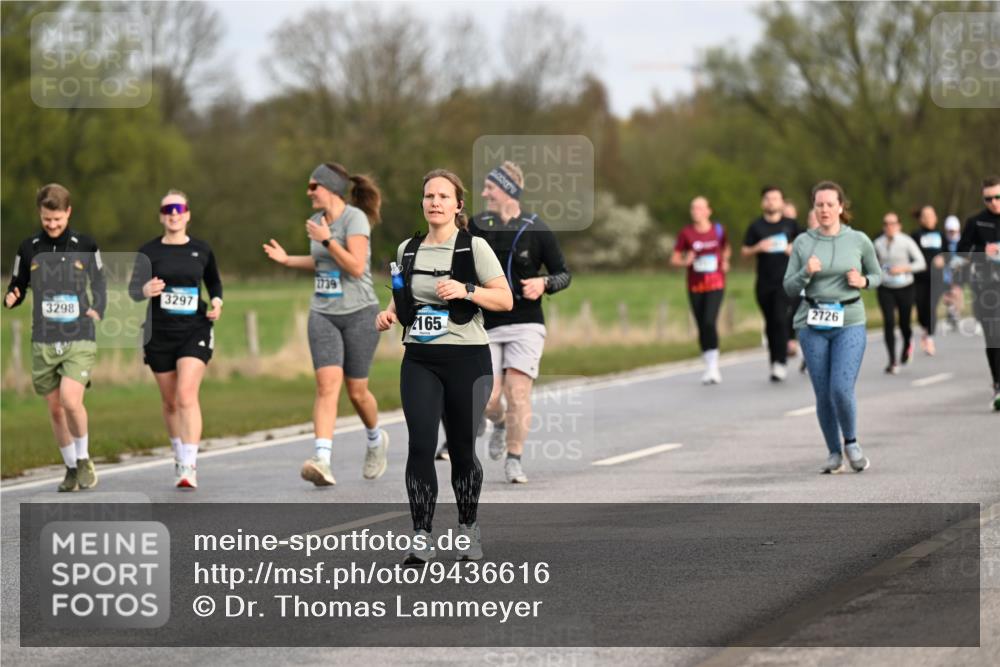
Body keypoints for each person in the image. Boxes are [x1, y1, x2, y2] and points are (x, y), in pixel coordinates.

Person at [376, 169, 512, 565]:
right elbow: (403, 302)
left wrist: (466, 290)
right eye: (428, 196)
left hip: (467, 359)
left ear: (457, 205)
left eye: (442, 196)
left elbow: (504, 300)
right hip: (419, 359)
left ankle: (468, 527)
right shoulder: (408, 249)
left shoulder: (474, 248)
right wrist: (386, 316)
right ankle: (421, 536)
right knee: (419, 444)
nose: (434, 202)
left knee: (462, 450)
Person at [441, 161, 571, 484]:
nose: (484, 193)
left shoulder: (537, 229)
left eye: (490, 187)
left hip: (527, 323)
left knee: (517, 392)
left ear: (508, 190)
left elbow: (563, 273)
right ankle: (498, 422)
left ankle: (514, 459)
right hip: (487, 322)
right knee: (487, 397)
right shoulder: (479, 227)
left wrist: (544, 284)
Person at [263, 163, 389, 486]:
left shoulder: (354, 219)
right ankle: (322, 459)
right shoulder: (317, 222)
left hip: (360, 312)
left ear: (330, 188)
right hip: (323, 312)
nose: (308, 193)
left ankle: (376, 440)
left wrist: (328, 239)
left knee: (357, 392)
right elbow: (321, 262)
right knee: (326, 385)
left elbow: (356, 267)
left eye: (313, 186)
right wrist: (288, 260)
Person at [5, 183, 106, 492]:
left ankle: (85, 458)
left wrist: (98, 308)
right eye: (47, 219)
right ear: (40, 214)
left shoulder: (85, 245)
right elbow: (18, 282)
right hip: (44, 337)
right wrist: (12, 296)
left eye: (57, 219)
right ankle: (70, 468)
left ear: (68, 213)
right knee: (54, 408)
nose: (51, 225)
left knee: (70, 400)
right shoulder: (28, 247)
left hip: (79, 334)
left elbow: (100, 282)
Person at [784, 181, 881, 473]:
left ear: (840, 207)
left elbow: (878, 274)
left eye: (829, 204)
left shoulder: (859, 240)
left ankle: (851, 442)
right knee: (823, 392)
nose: (824, 209)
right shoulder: (803, 242)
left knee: (841, 387)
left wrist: (863, 281)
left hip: (849, 319)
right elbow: (789, 287)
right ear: (814, 208)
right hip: (811, 322)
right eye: (819, 205)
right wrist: (805, 272)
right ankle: (833, 453)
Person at [128, 190, 223, 489]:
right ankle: (178, 453)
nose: (173, 213)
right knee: (170, 403)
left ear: (188, 214)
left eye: (179, 208)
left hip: (194, 329)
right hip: (159, 333)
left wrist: (217, 302)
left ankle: (188, 465)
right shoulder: (149, 251)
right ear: (161, 215)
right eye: (167, 208)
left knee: (185, 395)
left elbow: (214, 283)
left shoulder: (202, 249)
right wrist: (145, 290)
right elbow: (133, 290)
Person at [742, 186, 802, 381]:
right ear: (763, 202)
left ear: (782, 202)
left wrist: (794, 247)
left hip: (786, 281)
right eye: (767, 198)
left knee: (779, 318)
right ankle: (774, 361)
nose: (771, 202)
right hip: (764, 283)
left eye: (775, 198)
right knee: (770, 322)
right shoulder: (756, 226)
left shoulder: (791, 224)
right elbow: (744, 252)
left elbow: (808, 242)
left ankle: (781, 361)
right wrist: (757, 248)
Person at [671, 196, 731, 384]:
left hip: (716, 283)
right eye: (693, 208)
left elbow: (726, 248)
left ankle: (714, 366)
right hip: (695, 285)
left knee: (708, 320)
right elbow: (673, 259)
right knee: (700, 324)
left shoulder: (718, 230)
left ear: (708, 211)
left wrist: (726, 260)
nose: (695, 211)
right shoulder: (686, 233)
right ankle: (708, 364)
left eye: (699, 208)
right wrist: (684, 261)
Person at [957, 175, 1000, 411]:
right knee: (994, 338)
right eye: (988, 199)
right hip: (986, 288)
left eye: (997, 197)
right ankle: (997, 383)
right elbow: (962, 251)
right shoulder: (975, 222)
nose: (994, 202)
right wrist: (984, 250)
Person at [873, 212, 926, 374]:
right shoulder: (877, 243)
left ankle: (907, 343)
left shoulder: (906, 241)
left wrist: (903, 268)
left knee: (904, 323)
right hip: (885, 287)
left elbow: (921, 263)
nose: (889, 227)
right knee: (888, 322)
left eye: (892, 223)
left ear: (898, 225)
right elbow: (872, 264)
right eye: (886, 224)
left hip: (905, 286)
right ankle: (892, 361)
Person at [910, 205, 946, 356]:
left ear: (936, 218)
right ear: (920, 219)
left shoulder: (941, 235)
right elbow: (910, 254)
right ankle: (925, 329)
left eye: (931, 215)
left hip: (936, 278)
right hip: (919, 278)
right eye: (925, 216)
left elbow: (949, 253)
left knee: (931, 307)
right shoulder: (915, 235)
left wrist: (944, 259)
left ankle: (929, 338)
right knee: (921, 309)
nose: (929, 219)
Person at [941, 215, 967, 331]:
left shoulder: (963, 240)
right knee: (947, 295)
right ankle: (951, 311)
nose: (952, 233)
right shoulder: (943, 241)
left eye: (954, 231)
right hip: (946, 271)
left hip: (959, 270)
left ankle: (955, 313)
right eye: (949, 231)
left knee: (957, 292)